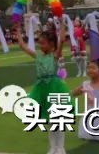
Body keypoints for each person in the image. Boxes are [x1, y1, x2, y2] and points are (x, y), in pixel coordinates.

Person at [15, 19, 68, 154]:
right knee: (49, 120)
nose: (40, 45)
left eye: (43, 43)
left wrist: (62, 23)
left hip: (54, 88)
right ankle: (53, 147)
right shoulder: (37, 55)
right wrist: (18, 30)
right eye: (39, 42)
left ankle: (60, 147)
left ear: (51, 44)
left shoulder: (55, 55)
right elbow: (22, 45)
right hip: (41, 89)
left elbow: (62, 40)